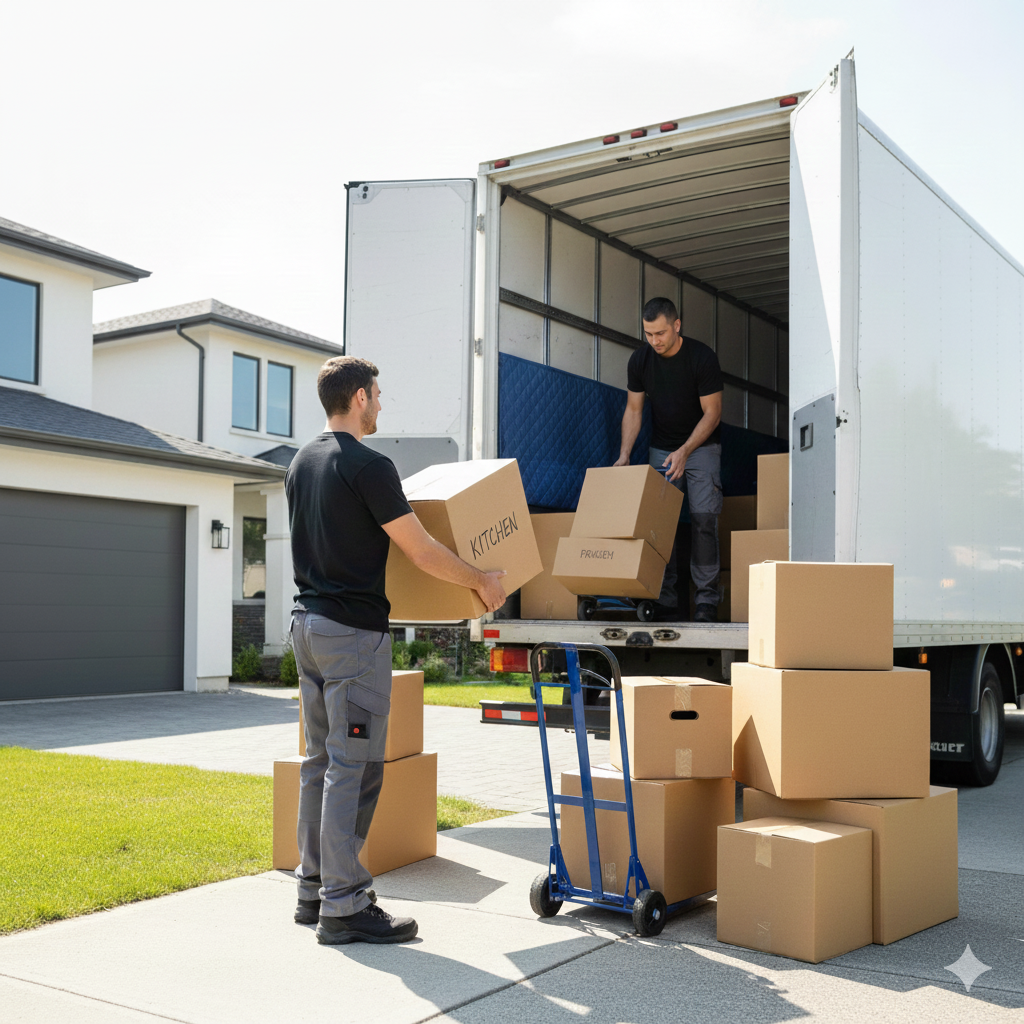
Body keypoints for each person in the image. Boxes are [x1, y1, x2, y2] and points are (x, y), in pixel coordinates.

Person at [285, 355, 507, 945]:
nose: (381, 405)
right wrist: (480, 580)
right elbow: (422, 550)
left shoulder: (300, 462)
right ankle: (345, 905)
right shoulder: (368, 464)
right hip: (352, 636)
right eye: (378, 395)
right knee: (352, 772)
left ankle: (313, 890)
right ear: (358, 397)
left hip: (306, 627)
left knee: (319, 765)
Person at [614, 297, 723, 622]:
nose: (655, 341)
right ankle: (665, 598)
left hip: (702, 447)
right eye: (648, 334)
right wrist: (624, 455)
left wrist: (686, 451)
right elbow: (634, 410)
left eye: (660, 333)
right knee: (661, 525)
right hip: (661, 448)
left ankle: (706, 601)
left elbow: (713, 413)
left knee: (704, 521)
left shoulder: (702, 358)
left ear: (677, 326)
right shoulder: (640, 361)